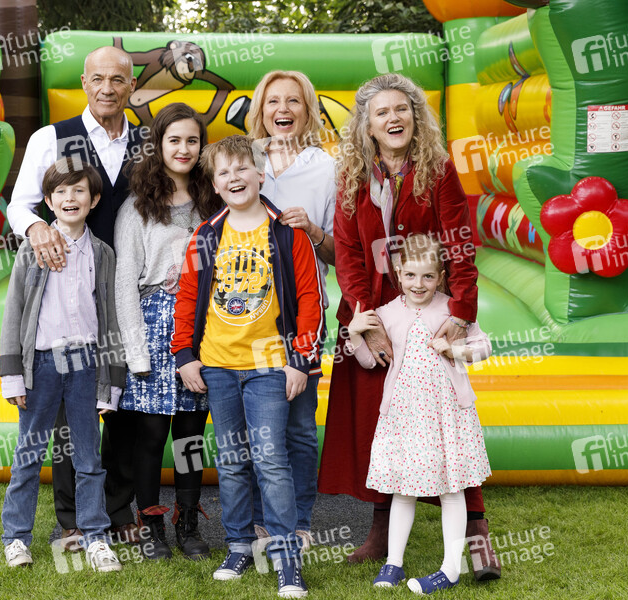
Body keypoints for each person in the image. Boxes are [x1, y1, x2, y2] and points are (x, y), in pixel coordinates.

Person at [318, 72, 501, 579]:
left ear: (415, 117)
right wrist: (366, 318)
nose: (393, 118)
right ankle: (383, 530)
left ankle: (476, 533)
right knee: (378, 420)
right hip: (375, 314)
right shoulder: (352, 175)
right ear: (367, 125)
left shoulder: (437, 170)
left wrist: (460, 313)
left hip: (428, 309)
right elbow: (348, 252)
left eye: (402, 109)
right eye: (382, 112)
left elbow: (459, 245)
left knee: (447, 420)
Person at [172, 135, 324, 599]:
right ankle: (238, 545)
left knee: (271, 458)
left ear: (261, 174)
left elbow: (310, 299)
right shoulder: (206, 235)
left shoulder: (287, 233)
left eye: (243, 168)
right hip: (218, 366)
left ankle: (285, 556)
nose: (234, 177)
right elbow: (187, 297)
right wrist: (185, 355)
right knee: (232, 461)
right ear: (215, 184)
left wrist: (300, 361)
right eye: (224, 172)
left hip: (270, 367)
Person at [7, 45, 144, 548]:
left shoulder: (147, 142)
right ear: (84, 83)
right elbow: (19, 206)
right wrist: (36, 230)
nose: (107, 88)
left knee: (124, 400)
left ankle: (118, 509)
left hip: (130, 288)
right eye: (98, 79)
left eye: (118, 79)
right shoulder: (50, 137)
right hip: (67, 283)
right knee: (70, 414)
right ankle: (70, 519)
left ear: (132, 87)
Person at [0, 159, 126, 572]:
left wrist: (111, 381)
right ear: (49, 201)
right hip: (42, 364)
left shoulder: (103, 254)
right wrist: (12, 375)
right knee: (29, 454)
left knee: (88, 457)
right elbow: (14, 313)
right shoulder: (31, 250)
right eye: (61, 192)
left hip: (86, 364)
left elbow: (110, 317)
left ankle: (95, 537)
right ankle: (16, 538)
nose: (70, 198)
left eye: (79, 190)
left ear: (94, 200)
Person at [347, 234, 491, 594]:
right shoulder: (386, 314)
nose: (418, 284)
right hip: (404, 415)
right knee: (403, 490)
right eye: (410, 275)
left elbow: (484, 348)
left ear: (440, 277)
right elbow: (368, 361)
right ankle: (393, 563)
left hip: (446, 415)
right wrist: (354, 333)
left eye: (428, 276)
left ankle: (450, 568)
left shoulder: (453, 311)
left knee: (452, 489)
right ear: (398, 274)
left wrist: (454, 351)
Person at [114, 103, 221, 561]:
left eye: (192, 140)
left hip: (202, 327)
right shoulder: (137, 207)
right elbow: (124, 284)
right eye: (174, 139)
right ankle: (151, 526)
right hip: (154, 326)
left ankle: (189, 525)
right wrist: (136, 354)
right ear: (158, 145)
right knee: (152, 435)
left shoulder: (216, 200)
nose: (184, 148)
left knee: (191, 436)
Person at [245, 70, 334, 547]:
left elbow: (344, 252)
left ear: (307, 110)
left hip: (303, 314)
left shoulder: (328, 168)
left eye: (293, 101)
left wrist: (314, 233)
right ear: (260, 110)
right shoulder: (242, 160)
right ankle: (259, 519)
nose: (283, 109)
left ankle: (299, 521)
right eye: (273, 101)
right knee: (256, 427)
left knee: (298, 426)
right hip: (244, 316)